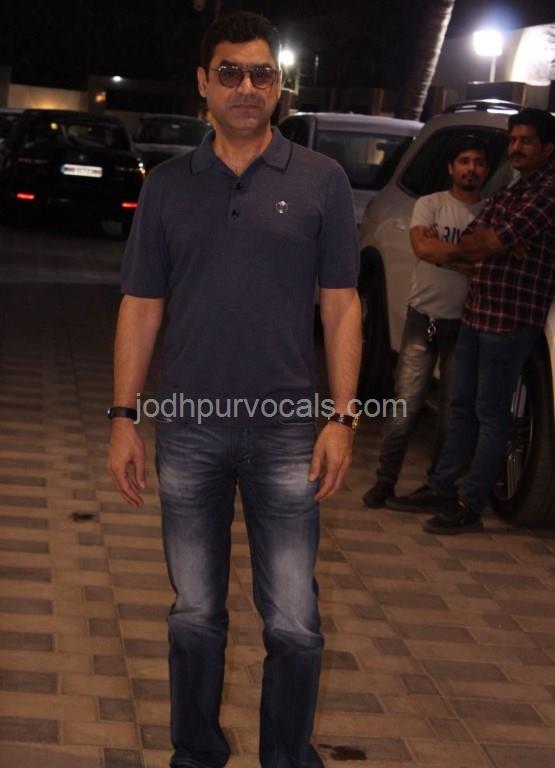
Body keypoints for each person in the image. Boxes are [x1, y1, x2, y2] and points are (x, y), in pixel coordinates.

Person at [106, 11, 361, 768]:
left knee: (295, 623)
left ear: (279, 85)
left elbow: (342, 305)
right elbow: (140, 306)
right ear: (202, 83)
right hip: (189, 426)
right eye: (230, 73)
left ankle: (287, 757)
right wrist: (123, 417)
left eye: (261, 74)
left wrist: (342, 418)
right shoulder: (166, 187)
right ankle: (196, 755)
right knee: (194, 614)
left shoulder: (321, 180)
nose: (246, 87)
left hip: (287, 430)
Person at [391, 108, 555, 534]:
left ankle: (471, 504)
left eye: (527, 141)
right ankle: (441, 487)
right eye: (513, 139)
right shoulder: (514, 190)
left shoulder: (547, 192)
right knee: (460, 407)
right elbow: (475, 239)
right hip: (477, 311)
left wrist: (492, 243)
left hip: (510, 320)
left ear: (548, 148)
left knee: (491, 414)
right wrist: (490, 245)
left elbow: (490, 239)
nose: (516, 147)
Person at [362, 137, 489, 508]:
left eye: (478, 162)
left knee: (451, 412)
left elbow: (481, 263)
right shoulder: (430, 204)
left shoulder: (489, 212)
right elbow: (423, 248)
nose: (471, 168)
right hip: (424, 318)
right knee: (405, 405)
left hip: (465, 324)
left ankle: (437, 486)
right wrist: (469, 254)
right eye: (464, 160)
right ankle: (385, 481)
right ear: (451, 167)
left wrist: (444, 254)